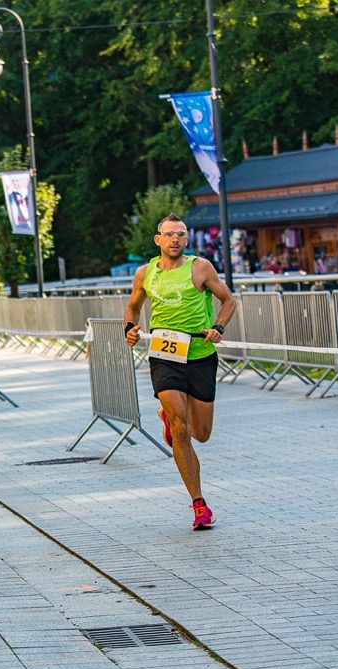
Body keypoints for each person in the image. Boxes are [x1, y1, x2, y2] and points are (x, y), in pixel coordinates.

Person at [124, 213, 236, 530]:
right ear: (158, 239)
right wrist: (130, 328)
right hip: (164, 355)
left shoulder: (200, 268)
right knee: (182, 428)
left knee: (201, 433)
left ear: (187, 239)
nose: (175, 239)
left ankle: (170, 418)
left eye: (181, 234)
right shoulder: (145, 273)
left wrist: (218, 328)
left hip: (200, 355)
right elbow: (133, 307)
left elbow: (229, 301)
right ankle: (199, 505)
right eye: (170, 234)